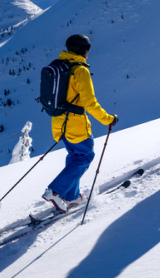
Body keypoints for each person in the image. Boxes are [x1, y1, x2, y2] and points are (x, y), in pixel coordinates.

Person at [42, 34, 119, 211]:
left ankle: (72, 196)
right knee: (84, 156)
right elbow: (89, 103)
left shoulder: (60, 65)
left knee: (75, 157)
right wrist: (109, 119)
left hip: (59, 123)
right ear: (85, 50)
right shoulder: (79, 70)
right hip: (76, 124)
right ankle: (55, 191)